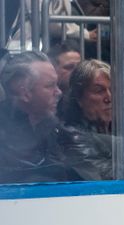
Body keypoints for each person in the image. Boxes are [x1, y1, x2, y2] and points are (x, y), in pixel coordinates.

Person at [0, 51, 81, 183]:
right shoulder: (5, 135)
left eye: (57, 85)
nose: (59, 92)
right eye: (50, 86)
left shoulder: (52, 125)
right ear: (24, 93)